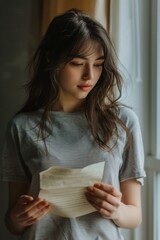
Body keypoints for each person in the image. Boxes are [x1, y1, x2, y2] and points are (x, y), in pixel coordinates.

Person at [0, 8, 146, 240]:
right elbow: (12, 224)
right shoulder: (21, 126)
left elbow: (135, 215)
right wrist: (18, 217)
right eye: (77, 63)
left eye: (98, 64)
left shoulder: (123, 121)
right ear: (52, 60)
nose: (89, 75)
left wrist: (116, 210)